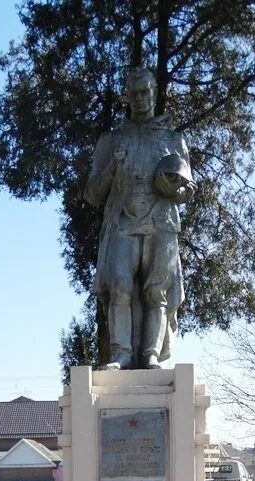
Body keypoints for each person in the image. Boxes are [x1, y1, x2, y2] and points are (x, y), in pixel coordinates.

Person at [84, 68, 195, 370]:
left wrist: (177, 187)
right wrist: (113, 169)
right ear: (127, 98)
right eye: (134, 94)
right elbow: (93, 193)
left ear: (154, 93)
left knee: (156, 290)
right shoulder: (111, 140)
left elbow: (188, 189)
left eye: (145, 92)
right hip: (122, 221)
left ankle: (150, 354)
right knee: (120, 284)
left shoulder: (173, 140)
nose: (141, 99)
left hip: (162, 223)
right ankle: (121, 352)